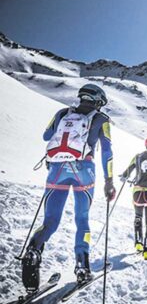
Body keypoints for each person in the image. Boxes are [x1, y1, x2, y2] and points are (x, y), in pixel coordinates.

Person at [22, 84, 115, 290]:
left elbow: (47, 136)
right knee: (82, 219)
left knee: (50, 221)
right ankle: (82, 266)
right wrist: (109, 181)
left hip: (56, 170)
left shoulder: (62, 113)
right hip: (84, 171)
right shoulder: (102, 119)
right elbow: (106, 151)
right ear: (98, 101)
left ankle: (33, 252)